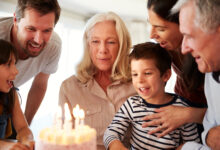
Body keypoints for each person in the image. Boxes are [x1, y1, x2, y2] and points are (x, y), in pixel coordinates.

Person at [59, 12, 136, 150]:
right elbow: (65, 141)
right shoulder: (69, 88)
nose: (102, 50)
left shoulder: (138, 83)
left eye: (111, 42)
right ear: (88, 44)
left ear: (122, 45)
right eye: (95, 41)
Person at [103, 42, 201, 150]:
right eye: (135, 74)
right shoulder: (131, 104)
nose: (140, 80)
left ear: (166, 75)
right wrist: (117, 147)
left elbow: (193, 144)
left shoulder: (182, 109)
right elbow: (111, 133)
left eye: (147, 73)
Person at [142, 0, 207, 138]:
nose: (152, 35)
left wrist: (188, 114)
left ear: (184, 22)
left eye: (160, 28)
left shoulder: (209, 55)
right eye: (151, 25)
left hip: (205, 117)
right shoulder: (166, 48)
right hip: (181, 108)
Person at [0, 0, 61, 125]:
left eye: (47, 31)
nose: (38, 40)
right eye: (31, 29)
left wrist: (25, 125)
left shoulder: (53, 46)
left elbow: (39, 85)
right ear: (15, 20)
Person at [171, 0, 220, 149]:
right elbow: (209, 132)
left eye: (189, 36)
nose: (184, 49)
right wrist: (208, 137)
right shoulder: (211, 73)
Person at [0, 39, 34, 150]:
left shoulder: (11, 94)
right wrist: (6, 146)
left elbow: (23, 127)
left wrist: (27, 140)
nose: (16, 71)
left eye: (15, 64)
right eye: (8, 64)